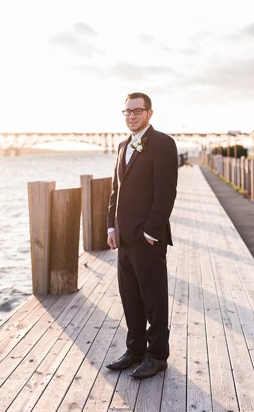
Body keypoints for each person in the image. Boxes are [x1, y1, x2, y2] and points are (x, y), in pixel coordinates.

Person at [105, 92, 178, 379]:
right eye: (127, 111)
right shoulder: (123, 145)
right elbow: (115, 190)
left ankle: (157, 355)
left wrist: (150, 231)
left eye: (137, 111)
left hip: (148, 238)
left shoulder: (162, 144)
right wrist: (111, 226)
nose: (132, 116)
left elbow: (165, 193)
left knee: (153, 298)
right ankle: (135, 350)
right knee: (130, 297)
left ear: (149, 113)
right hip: (123, 238)